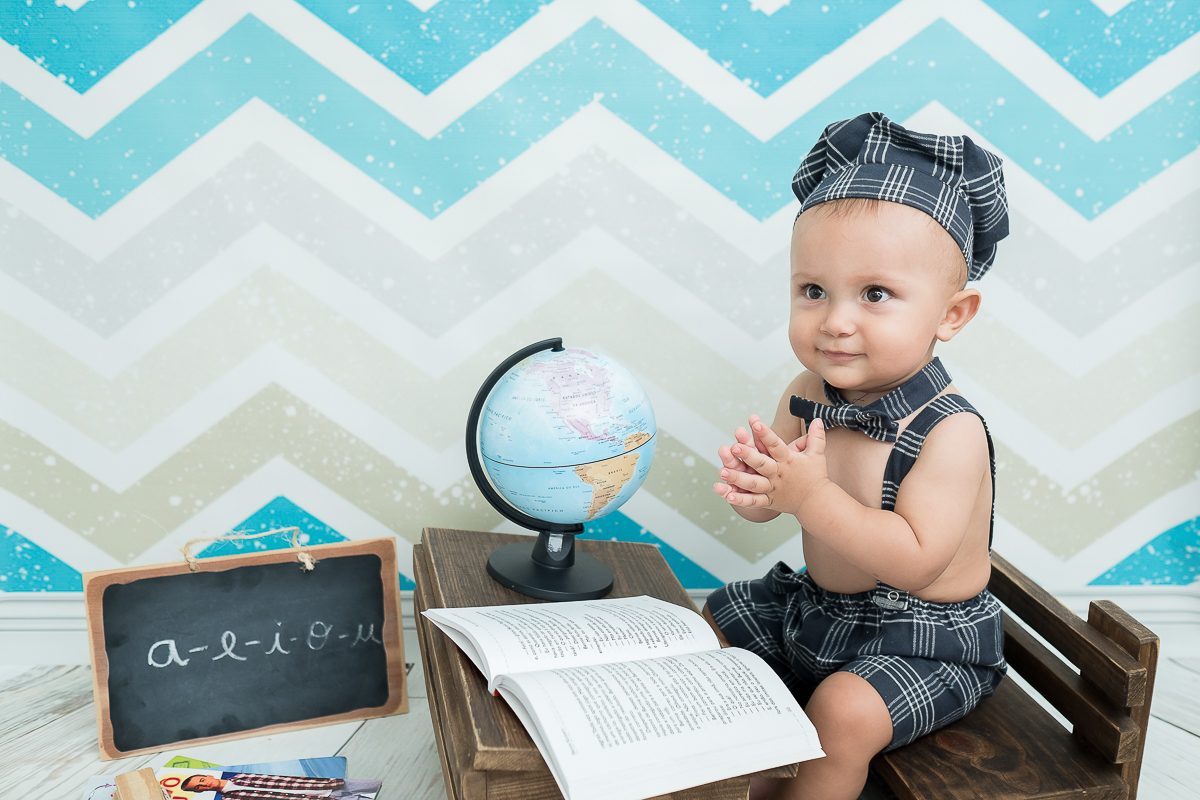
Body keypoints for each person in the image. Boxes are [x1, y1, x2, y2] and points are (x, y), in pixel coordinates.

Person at [704, 111, 1010, 800]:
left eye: (876, 295)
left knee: (841, 716)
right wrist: (761, 493)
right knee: (715, 621)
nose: (835, 320)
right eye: (813, 291)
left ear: (951, 315)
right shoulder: (806, 391)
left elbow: (914, 559)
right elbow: (777, 496)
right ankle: (736, 778)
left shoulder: (947, 431)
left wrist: (811, 498)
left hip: (924, 642)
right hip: (821, 610)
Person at [179, 773, 345, 800]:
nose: (204, 785)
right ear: (199, 793)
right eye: (198, 788)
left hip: (328, 784)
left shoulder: (242, 776)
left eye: (201, 781)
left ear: (208, 776)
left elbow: (282, 779)